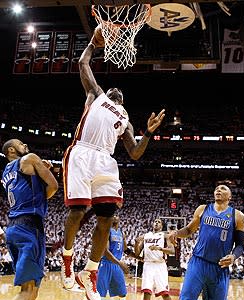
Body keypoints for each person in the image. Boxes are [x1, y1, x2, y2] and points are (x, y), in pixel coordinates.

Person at [60, 25, 166, 300]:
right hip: (83, 152)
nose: (117, 91)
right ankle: (68, 260)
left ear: (124, 102)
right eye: (114, 89)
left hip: (106, 161)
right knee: (78, 211)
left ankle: (90, 271)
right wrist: (94, 44)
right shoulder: (96, 95)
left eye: (121, 93)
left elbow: (135, 153)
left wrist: (149, 133)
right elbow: (83, 63)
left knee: (107, 218)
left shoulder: (125, 120)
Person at [1, 138, 58, 300]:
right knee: (27, 291)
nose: (25, 145)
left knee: (32, 289)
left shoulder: (5, 172)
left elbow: (28, 190)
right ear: (11, 150)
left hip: (13, 228)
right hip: (29, 226)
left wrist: (40, 172)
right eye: (20, 144)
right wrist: (43, 169)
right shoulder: (30, 158)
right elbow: (54, 186)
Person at [168, 183, 244, 300]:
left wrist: (233, 256)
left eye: (223, 188)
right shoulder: (203, 209)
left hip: (219, 266)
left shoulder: (238, 216)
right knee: (186, 298)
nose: (218, 190)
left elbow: (240, 245)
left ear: (230, 196)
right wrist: (177, 233)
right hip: (198, 262)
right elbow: (189, 230)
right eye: (216, 189)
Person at [96, 215, 140, 300]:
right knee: (100, 295)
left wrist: (138, 257)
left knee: (122, 293)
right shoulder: (107, 231)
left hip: (116, 265)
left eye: (116, 215)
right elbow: (105, 252)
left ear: (119, 219)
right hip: (106, 264)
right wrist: (120, 263)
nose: (114, 216)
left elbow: (126, 250)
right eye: (112, 216)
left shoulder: (121, 233)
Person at [134, 218, 174, 300]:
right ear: (152, 224)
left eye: (159, 222)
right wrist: (136, 243)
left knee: (164, 293)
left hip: (160, 265)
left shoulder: (165, 236)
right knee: (147, 291)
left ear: (162, 226)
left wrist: (159, 248)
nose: (156, 223)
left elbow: (172, 251)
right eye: (155, 221)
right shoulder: (146, 236)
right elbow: (137, 253)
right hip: (148, 265)